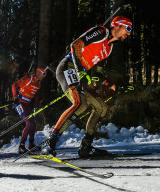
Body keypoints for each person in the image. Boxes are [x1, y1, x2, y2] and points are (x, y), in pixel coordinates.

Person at [42, 16, 132, 158]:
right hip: (69, 67)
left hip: (81, 73)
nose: (129, 33)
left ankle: (86, 146)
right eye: (127, 28)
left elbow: (95, 72)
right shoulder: (102, 31)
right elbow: (76, 45)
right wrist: (81, 72)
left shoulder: (109, 49)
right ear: (117, 25)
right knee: (79, 103)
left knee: (101, 107)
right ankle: (49, 142)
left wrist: (110, 85)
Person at [12, 68, 46, 154]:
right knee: (29, 123)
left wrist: (42, 101)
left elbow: (34, 94)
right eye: (43, 74)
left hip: (27, 105)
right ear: (38, 72)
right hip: (19, 104)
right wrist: (15, 97)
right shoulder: (28, 78)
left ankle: (31, 145)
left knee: (33, 124)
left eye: (45, 74)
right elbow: (14, 85)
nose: (44, 76)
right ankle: (21, 146)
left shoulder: (38, 84)